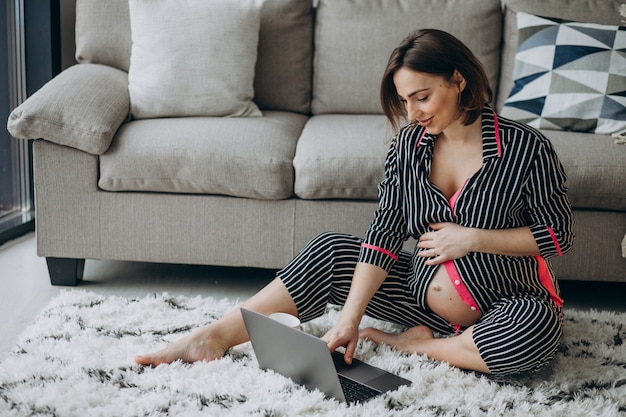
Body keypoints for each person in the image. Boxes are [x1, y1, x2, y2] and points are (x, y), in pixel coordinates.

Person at [135, 29, 574, 376]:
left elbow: (558, 233)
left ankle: (416, 345)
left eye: (422, 97)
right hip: (419, 298)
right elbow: (383, 233)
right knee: (331, 249)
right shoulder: (408, 147)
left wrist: (474, 239)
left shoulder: (525, 148)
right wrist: (349, 318)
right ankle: (214, 335)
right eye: (405, 102)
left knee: (533, 335)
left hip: (506, 303)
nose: (414, 112)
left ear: (458, 80)